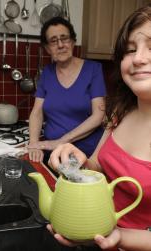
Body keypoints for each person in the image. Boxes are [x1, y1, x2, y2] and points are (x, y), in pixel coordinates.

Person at [47, 5, 151, 251]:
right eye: (130, 50)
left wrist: (120, 236)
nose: (138, 58)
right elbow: (98, 166)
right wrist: (79, 160)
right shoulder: (120, 112)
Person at [28, 16, 106, 164]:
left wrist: (61, 141)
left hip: (86, 156)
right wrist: (34, 144)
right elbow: (37, 112)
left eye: (64, 38)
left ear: (73, 41)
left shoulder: (93, 69)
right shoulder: (47, 73)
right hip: (53, 155)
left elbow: (99, 116)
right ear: (47, 48)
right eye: (53, 41)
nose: (60, 45)